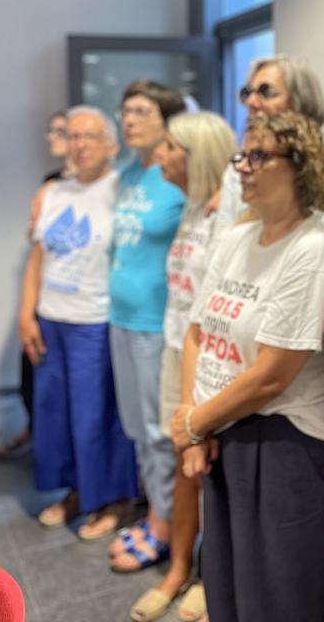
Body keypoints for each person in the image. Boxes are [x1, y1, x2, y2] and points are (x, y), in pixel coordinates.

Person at [172, 111, 324, 622]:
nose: (243, 167)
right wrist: (194, 421)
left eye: (259, 155)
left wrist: (191, 425)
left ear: (301, 167)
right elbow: (196, 333)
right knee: (225, 584)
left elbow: (273, 375)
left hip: (282, 443)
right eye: (242, 156)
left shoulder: (315, 251)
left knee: (277, 598)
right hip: (219, 431)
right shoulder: (235, 240)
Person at [128, 111, 235, 621]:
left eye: (171, 147)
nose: (160, 155)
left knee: (206, 467)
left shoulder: (227, 214)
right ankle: (178, 570)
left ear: (199, 154)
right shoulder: (192, 208)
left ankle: (208, 577)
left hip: (212, 358)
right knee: (180, 459)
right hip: (177, 347)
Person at [18, 106, 138, 539]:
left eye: (90, 135)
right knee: (57, 415)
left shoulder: (124, 189)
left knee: (96, 417)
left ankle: (113, 500)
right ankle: (76, 492)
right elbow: (38, 256)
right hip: (52, 319)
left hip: (96, 321)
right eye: (72, 135)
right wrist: (25, 314)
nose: (80, 144)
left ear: (111, 144)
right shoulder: (53, 192)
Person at [107, 80, 186, 567]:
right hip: (121, 317)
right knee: (137, 427)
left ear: (166, 121)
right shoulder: (127, 173)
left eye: (141, 111)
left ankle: (164, 526)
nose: (128, 119)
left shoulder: (175, 176)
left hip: (157, 323)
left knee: (159, 430)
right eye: (125, 110)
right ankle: (157, 510)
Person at [0, 110, 75, 461]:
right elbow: (36, 239)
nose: (52, 137)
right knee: (31, 372)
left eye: (61, 131)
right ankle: (36, 433)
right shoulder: (50, 182)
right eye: (53, 130)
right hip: (47, 295)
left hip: (78, 304)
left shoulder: (104, 185)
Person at [215, 54, 324, 238]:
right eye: (247, 93)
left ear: (300, 101)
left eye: (265, 92)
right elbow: (219, 248)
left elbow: (321, 252)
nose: (251, 102)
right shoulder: (237, 171)